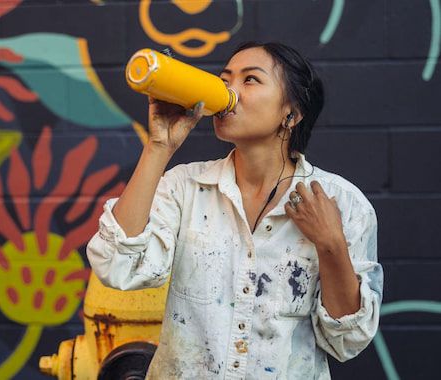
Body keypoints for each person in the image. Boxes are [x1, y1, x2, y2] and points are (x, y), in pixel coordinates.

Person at [86, 41, 383, 379]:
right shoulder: (185, 187)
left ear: (292, 113)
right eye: (225, 79)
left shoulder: (343, 204)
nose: (228, 90)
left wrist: (331, 244)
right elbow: (116, 266)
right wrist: (159, 146)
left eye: (250, 80)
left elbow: (345, 341)